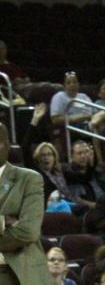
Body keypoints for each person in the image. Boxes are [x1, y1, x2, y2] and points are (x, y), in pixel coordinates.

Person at [0, 122, 52, 285]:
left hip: (20, 274)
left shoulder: (29, 179)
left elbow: (29, 231)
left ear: (7, 146)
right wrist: (4, 221)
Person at [63, 139, 105, 212]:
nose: (83, 156)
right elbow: (77, 201)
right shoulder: (69, 175)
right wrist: (99, 206)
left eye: (86, 152)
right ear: (72, 156)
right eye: (79, 153)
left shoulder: (99, 171)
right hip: (88, 213)